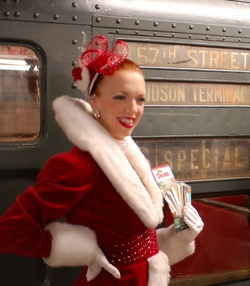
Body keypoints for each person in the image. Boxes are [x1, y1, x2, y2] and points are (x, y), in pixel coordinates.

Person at [0, 34, 203, 285]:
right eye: (120, 97)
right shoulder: (75, 166)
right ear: (94, 102)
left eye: (140, 99)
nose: (133, 109)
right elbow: (9, 231)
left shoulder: (127, 152)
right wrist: (85, 249)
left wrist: (182, 235)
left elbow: (136, 239)